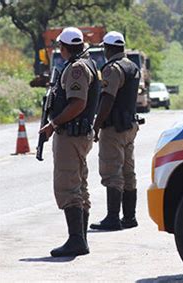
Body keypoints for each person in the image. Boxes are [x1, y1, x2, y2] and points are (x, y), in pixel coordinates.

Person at [39, 27, 99, 257]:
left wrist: (53, 124)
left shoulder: (76, 69)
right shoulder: (86, 63)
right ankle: (80, 238)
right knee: (79, 185)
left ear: (64, 47)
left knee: (68, 185)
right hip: (78, 134)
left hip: (71, 135)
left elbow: (77, 103)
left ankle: (76, 240)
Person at [90, 31, 140, 231]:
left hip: (114, 128)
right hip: (130, 125)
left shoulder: (113, 69)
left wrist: (96, 125)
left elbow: (108, 99)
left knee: (112, 171)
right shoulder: (132, 66)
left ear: (108, 49)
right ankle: (129, 217)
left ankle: (112, 218)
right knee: (129, 171)